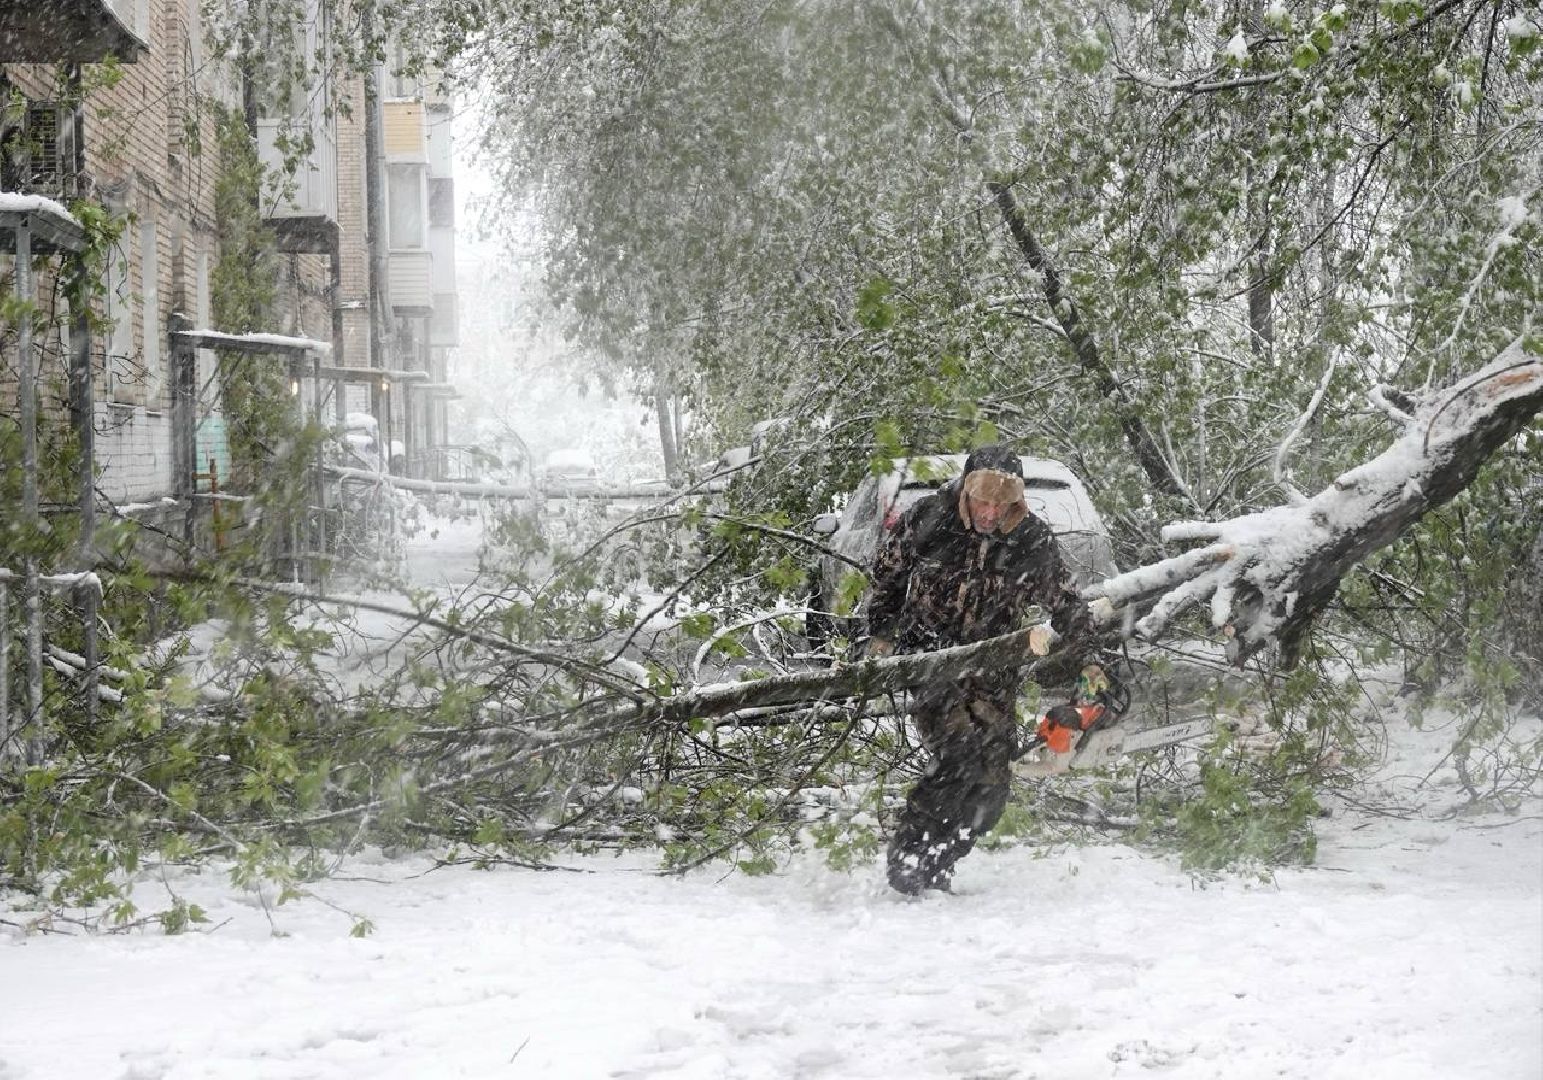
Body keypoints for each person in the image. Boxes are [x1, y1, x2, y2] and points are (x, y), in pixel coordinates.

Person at [866, 445, 1096, 895]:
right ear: (966, 492)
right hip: (931, 660)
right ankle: (911, 858)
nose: (990, 512)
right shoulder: (928, 519)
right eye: (982, 501)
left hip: (994, 674)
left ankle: (942, 860)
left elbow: (1068, 606)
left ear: (1017, 500)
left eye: (1002, 503)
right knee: (958, 755)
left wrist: (1091, 665)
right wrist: (882, 634)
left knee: (991, 787)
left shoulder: (1032, 540)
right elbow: (887, 579)